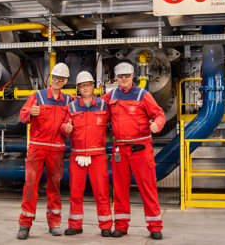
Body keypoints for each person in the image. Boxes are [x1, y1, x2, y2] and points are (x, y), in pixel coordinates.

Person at [101, 62, 166, 240]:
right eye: (120, 76)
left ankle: (155, 226)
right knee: (120, 190)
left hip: (141, 150)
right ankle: (121, 226)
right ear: (116, 78)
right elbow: (96, 109)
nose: (123, 79)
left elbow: (159, 114)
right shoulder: (110, 95)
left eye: (127, 76)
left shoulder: (143, 95)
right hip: (119, 151)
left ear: (133, 77)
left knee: (148, 188)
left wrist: (157, 124)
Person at [16, 63, 72, 240]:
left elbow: (67, 124)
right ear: (50, 79)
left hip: (56, 150)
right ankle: (25, 224)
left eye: (60, 79)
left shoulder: (68, 101)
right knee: (30, 185)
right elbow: (23, 115)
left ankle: (54, 223)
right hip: (37, 148)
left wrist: (67, 129)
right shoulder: (37, 96)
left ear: (65, 81)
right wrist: (30, 113)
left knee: (54, 187)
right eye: (55, 78)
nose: (57, 81)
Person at [62, 71, 113, 237]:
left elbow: (117, 120)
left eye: (88, 85)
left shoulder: (104, 106)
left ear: (93, 86)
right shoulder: (71, 107)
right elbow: (63, 126)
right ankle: (75, 225)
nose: (85, 88)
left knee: (102, 192)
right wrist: (66, 129)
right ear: (78, 89)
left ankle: (105, 226)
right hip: (77, 156)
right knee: (75, 193)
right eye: (82, 86)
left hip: (98, 155)